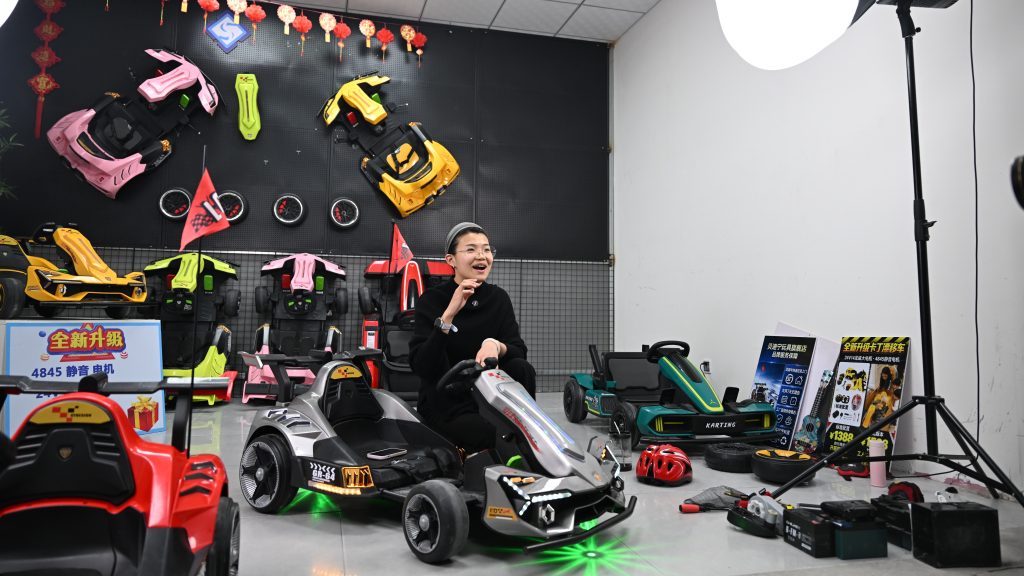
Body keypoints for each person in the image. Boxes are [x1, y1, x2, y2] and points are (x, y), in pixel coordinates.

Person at [409, 222, 536, 453]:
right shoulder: (432, 300)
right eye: (471, 249)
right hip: (447, 402)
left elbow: (518, 350)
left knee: (521, 367)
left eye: (486, 249)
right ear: (451, 260)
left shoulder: (498, 298)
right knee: (492, 434)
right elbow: (422, 366)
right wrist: (448, 315)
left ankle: (531, 440)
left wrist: (494, 344)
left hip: (490, 396)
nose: (481, 256)